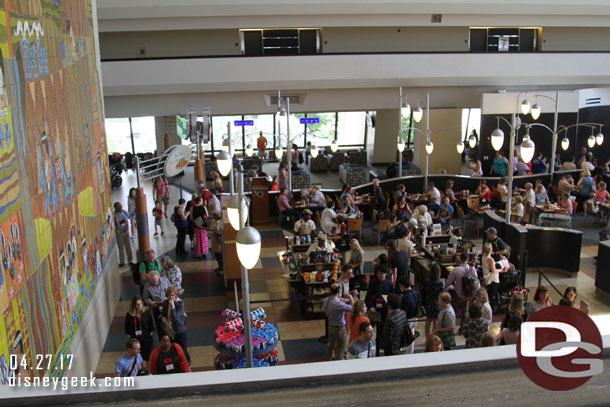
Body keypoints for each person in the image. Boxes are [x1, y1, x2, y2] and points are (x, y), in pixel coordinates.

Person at [323, 283, 353, 360]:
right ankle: (338, 362)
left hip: (330, 326)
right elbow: (353, 308)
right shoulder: (338, 304)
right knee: (341, 347)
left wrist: (343, 300)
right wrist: (350, 297)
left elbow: (338, 302)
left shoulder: (326, 300)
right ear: (339, 291)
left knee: (331, 345)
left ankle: (328, 359)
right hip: (340, 328)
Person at [160, 287, 190, 364]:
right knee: (172, 348)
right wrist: (163, 318)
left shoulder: (180, 304)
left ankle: (187, 363)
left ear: (176, 296)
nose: (171, 297)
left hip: (179, 330)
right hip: (170, 330)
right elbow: (163, 314)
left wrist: (173, 307)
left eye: (172, 295)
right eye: (169, 295)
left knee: (182, 349)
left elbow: (175, 319)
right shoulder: (165, 303)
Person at [124, 296, 155, 366]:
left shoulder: (146, 313)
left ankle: (147, 371)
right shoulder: (129, 315)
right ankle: (141, 370)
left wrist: (150, 334)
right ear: (134, 305)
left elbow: (151, 325)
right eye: (137, 304)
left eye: (140, 304)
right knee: (137, 357)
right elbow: (127, 328)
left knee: (148, 357)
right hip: (135, 339)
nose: (139, 306)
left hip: (146, 339)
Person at [422, 262, 444, 338]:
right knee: (435, 322)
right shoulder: (441, 283)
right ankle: (433, 338)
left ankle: (427, 339)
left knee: (428, 321)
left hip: (428, 303)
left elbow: (423, 293)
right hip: (437, 304)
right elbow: (442, 293)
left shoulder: (426, 281)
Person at [398, 279, 420, 354]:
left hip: (408, 319)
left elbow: (403, 311)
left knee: (403, 335)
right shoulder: (415, 292)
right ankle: (410, 352)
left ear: (403, 285)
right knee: (412, 335)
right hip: (415, 317)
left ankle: (399, 350)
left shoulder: (404, 296)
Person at [113, 202, 134, 267]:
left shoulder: (123, 212)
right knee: (121, 247)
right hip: (119, 233)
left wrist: (135, 212)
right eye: (119, 207)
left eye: (121, 206)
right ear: (116, 208)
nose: (121, 208)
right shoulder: (114, 215)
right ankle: (122, 261)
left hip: (126, 232)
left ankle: (130, 260)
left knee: (128, 246)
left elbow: (130, 215)